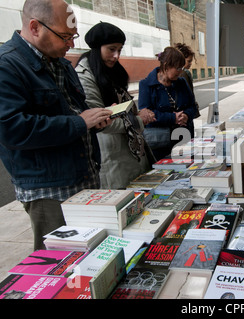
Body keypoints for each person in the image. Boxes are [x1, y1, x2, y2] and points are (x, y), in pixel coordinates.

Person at [0, 0, 113, 250]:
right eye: (65, 36)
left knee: (92, 255)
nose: (71, 44)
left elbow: (74, 110)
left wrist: (93, 121)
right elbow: (12, 129)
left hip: (84, 177)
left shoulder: (60, 63)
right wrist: (79, 123)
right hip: (49, 190)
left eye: (73, 36)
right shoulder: (7, 65)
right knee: (59, 264)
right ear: (35, 27)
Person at [75, 22, 156, 189]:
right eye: (111, 49)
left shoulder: (111, 70)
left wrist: (138, 114)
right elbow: (99, 121)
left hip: (132, 150)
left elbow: (122, 107)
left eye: (119, 50)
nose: (116, 56)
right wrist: (139, 120)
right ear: (97, 48)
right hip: (113, 156)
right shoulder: (85, 76)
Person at [138, 46, 197, 161]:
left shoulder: (181, 82)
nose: (180, 72)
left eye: (182, 68)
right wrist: (172, 118)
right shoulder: (146, 84)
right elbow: (146, 115)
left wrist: (186, 115)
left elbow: (192, 106)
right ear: (166, 65)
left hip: (183, 139)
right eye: (178, 68)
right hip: (160, 142)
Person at [175, 43, 200, 118]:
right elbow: (188, 94)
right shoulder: (184, 73)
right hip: (185, 112)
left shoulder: (181, 73)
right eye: (188, 61)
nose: (190, 63)